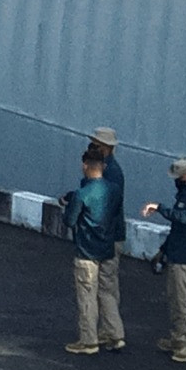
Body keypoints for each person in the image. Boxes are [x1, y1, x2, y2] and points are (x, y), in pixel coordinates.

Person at [61, 150, 125, 354]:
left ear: (85, 166)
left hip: (87, 249)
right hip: (107, 246)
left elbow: (70, 220)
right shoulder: (114, 190)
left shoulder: (82, 193)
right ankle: (115, 334)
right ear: (103, 167)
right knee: (107, 292)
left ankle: (89, 340)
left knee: (87, 294)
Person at [145, 157, 186, 362]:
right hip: (177, 254)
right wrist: (163, 250)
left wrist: (159, 207)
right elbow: (177, 229)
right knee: (176, 300)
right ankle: (179, 338)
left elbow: (182, 218)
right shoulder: (185, 196)